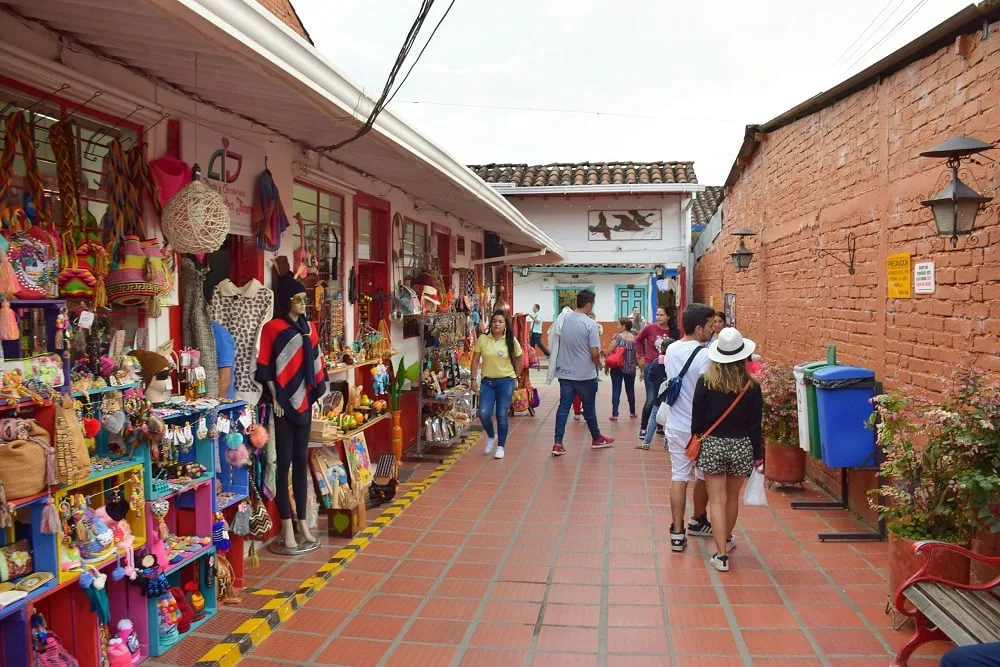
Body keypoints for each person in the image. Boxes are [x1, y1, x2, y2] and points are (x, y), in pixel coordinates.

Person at [256, 272, 328, 552]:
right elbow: (266, 365)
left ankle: (302, 525)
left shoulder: (310, 328)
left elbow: (316, 361)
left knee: (301, 461)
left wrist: (313, 394)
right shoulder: (273, 328)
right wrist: (275, 395)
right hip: (282, 404)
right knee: (283, 463)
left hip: (305, 404)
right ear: (287, 301)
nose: (303, 303)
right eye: (298, 299)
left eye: (304, 299)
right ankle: (285, 527)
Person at [691, 327, 763, 572]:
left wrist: (697, 441)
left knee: (717, 501)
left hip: (713, 445)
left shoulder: (705, 382)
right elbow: (755, 425)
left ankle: (721, 555)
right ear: (743, 356)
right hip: (742, 445)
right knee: (732, 498)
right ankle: (727, 539)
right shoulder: (752, 387)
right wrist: (758, 454)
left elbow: (696, 422)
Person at [665, 304, 716, 553]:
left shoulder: (672, 349)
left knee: (679, 476)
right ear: (698, 328)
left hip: (675, 424)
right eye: (710, 326)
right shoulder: (705, 355)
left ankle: (677, 532)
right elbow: (709, 390)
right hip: (700, 428)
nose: (712, 330)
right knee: (704, 475)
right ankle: (698, 519)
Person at [552, 290, 615, 456]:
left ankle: (558, 443)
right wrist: (598, 364)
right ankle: (596, 438)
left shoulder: (563, 319)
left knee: (563, 408)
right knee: (589, 408)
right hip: (585, 374)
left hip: (565, 372)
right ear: (588, 304)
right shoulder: (590, 324)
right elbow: (594, 352)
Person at [470, 310, 523, 461]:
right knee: (484, 413)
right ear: (490, 324)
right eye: (494, 321)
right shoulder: (483, 339)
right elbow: (475, 360)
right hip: (488, 382)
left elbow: (520, 357)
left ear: (505, 324)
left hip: (506, 381)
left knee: (501, 414)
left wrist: (516, 375)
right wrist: (473, 379)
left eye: (500, 321)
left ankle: (500, 447)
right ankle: (491, 436)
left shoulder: (510, 340)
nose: (497, 324)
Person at [635, 307, 674, 438]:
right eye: (657, 314)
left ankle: (659, 425)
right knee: (651, 399)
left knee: (663, 397)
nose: (658, 317)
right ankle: (643, 427)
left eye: (662, 315)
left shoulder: (673, 331)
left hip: (668, 367)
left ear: (668, 317)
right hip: (651, 365)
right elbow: (638, 340)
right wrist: (640, 356)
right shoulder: (649, 328)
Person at [636, 337, 670, 450]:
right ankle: (667, 442)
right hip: (671, 398)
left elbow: (650, 377)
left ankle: (646, 442)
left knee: (653, 419)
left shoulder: (656, 362)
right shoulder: (675, 362)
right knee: (670, 421)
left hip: (657, 396)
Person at [605, 318, 638, 421]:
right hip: (631, 369)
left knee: (616, 390)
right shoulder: (635, 338)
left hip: (617, 368)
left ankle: (615, 414)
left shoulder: (617, 337)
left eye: (619, 325)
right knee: (630, 391)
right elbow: (637, 355)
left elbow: (609, 352)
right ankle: (632, 412)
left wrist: (606, 366)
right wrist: (641, 369)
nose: (617, 327)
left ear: (624, 326)